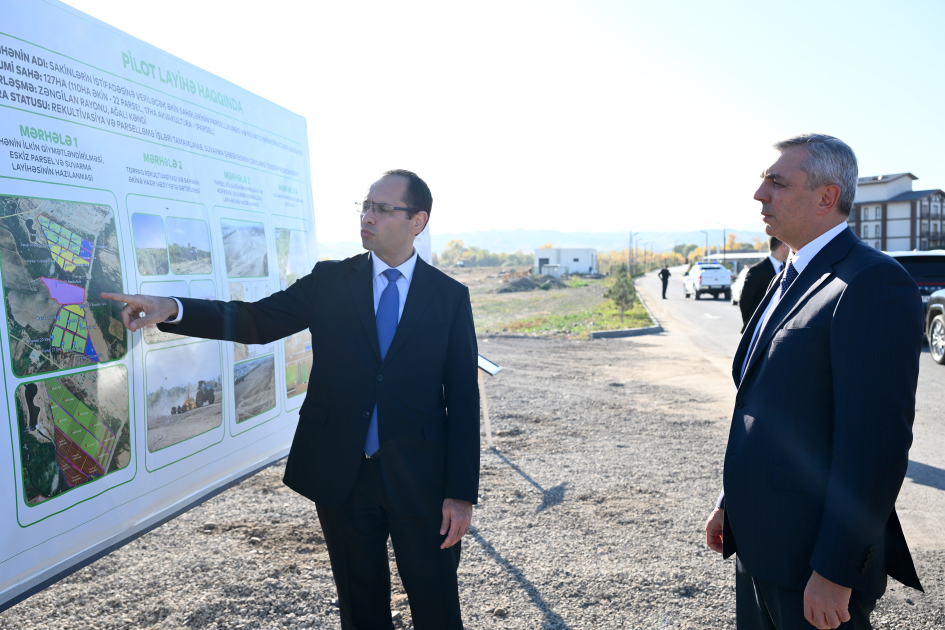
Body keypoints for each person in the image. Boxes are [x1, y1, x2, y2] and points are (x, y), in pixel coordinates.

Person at [103, 170, 480, 629]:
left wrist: (460, 495)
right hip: (343, 475)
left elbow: (462, 399)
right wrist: (172, 309)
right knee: (361, 608)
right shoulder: (330, 281)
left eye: (382, 209)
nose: (367, 216)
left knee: (436, 603)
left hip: (420, 478)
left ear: (417, 221)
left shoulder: (449, 298)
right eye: (365, 205)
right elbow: (255, 321)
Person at [704, 134, 923, 630]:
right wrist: (729, 503)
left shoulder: (871, 283)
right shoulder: (791, 272)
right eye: (763, 181)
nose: (760, 195)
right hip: (759, 548)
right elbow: (766, 408)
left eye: (776, 182)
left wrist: (835, 570)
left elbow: (874, 447)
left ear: (827, 197)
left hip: (811, 565)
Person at [738, 236, 790, 332]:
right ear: (783, 245)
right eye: (789, 245)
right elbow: (745, 301)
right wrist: (751, 324)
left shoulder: (788, 268)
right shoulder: (758, 270)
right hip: (759, 328)